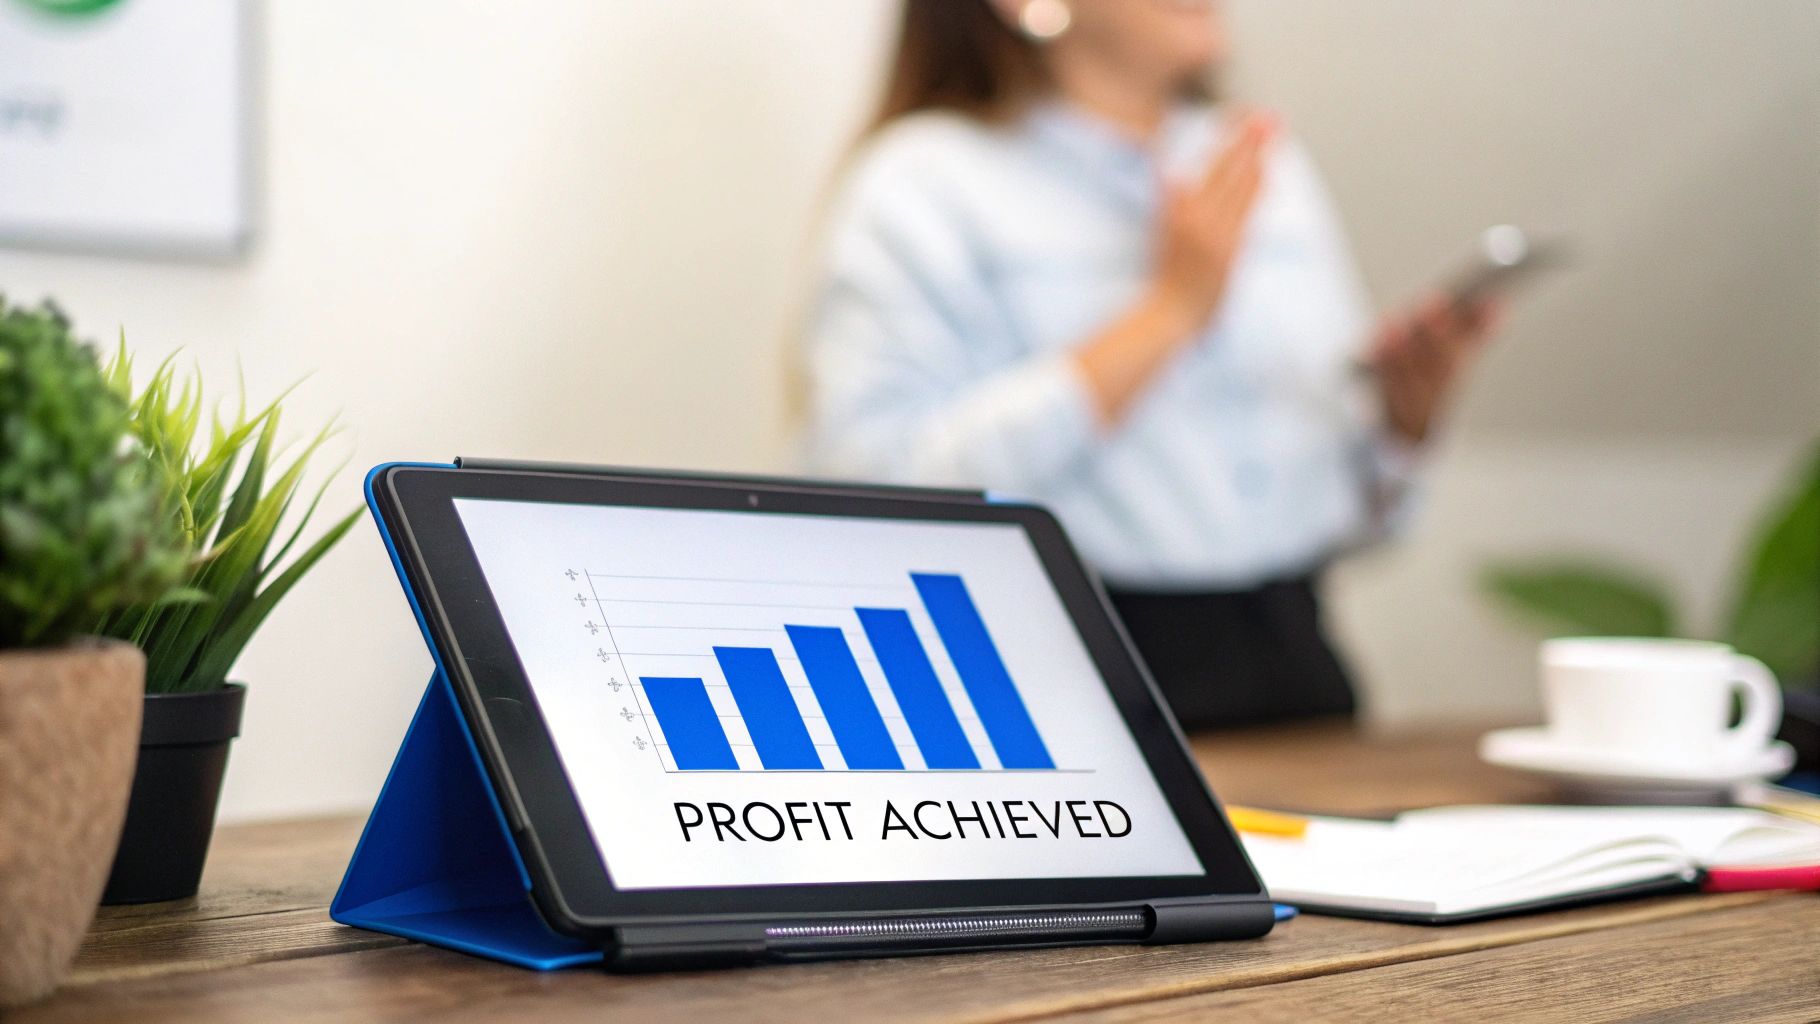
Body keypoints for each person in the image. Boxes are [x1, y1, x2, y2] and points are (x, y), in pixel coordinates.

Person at [800, 0, 1499, 728]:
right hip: (1065, 690)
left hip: (1297, 676)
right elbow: (874, 492)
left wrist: (1401, 427)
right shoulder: (925, 184)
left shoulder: (1258, 161)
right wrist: (1169, 314)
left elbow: (1353, 520)